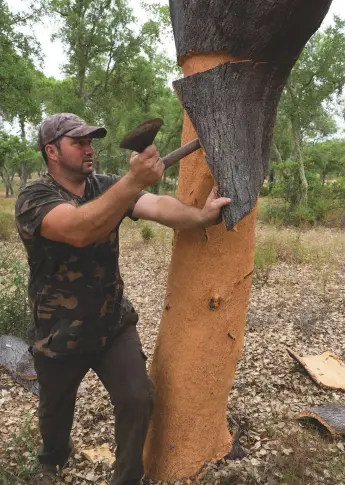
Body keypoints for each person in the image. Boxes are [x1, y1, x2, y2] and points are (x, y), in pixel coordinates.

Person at [15, 113, 231, 485]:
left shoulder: (105, 185)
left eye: (91, 141)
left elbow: (158, 206)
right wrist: (133, 180)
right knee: (55, 409)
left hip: (111, 323)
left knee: (137, 397)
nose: (89, 149)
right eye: (78, 142)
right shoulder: (34, 198)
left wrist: (200, 216)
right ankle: (51, 460)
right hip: (58, 331)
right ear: (52, 151)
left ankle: (127, 478)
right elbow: (79, 229)